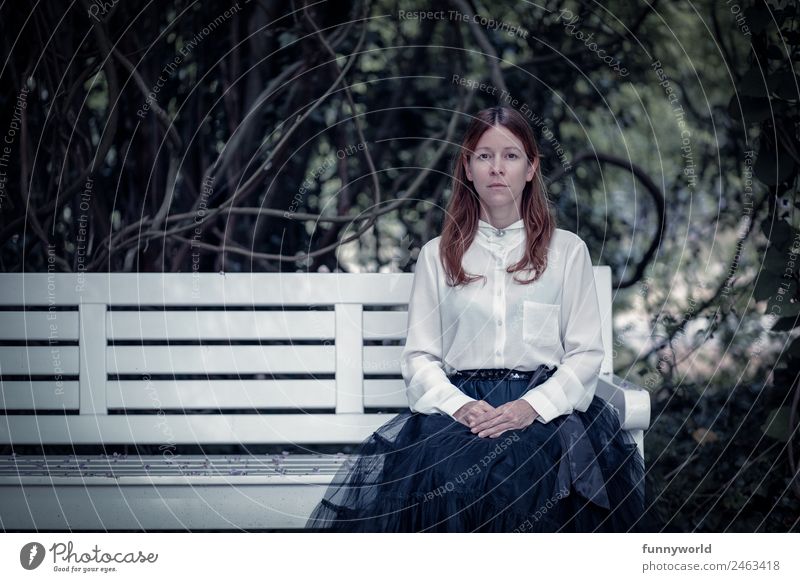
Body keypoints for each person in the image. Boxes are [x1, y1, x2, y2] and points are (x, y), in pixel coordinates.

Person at [305, 105, 648, 532]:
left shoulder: (566, 251)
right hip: (461, 406)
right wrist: (461, 407)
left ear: (531, 168)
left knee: (528, 471)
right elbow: (420, 357)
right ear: (467, 167)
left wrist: (530, 407)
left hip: (542, 406)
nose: (497, 168)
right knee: (445, 473)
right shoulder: (438, 254)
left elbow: (585, 353)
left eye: (511, 155)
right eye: (484, 156)